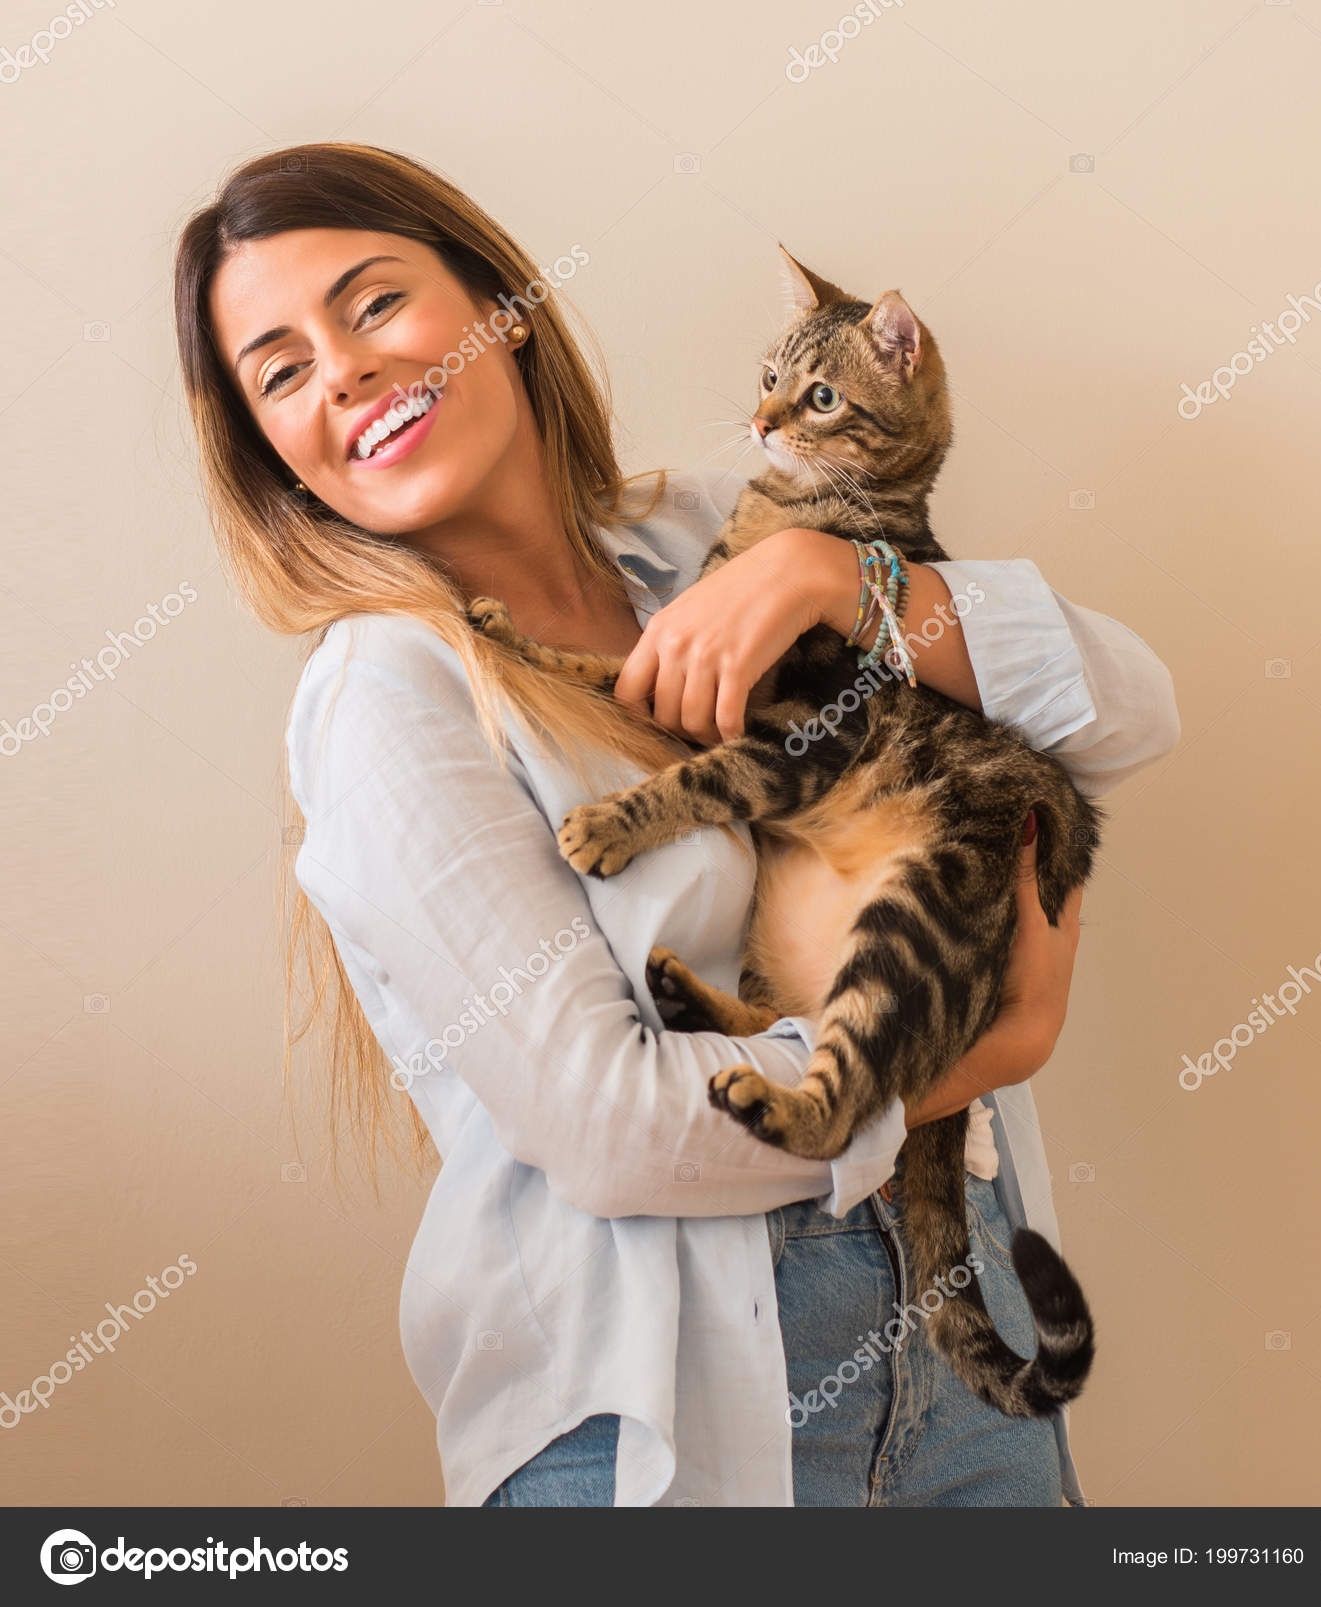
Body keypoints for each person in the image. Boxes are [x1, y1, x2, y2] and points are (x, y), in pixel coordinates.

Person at [176, 142, 1180, 1508]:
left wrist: (849, 577)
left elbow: (1126, 709)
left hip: (966, 1349)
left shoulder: (714, 535)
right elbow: (616, 1132)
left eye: (369, 306)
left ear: (501, 312)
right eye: (281, 371)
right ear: (276, 453)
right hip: (670, 1413)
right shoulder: (388, 693)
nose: (342, 372)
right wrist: (970, 1057)